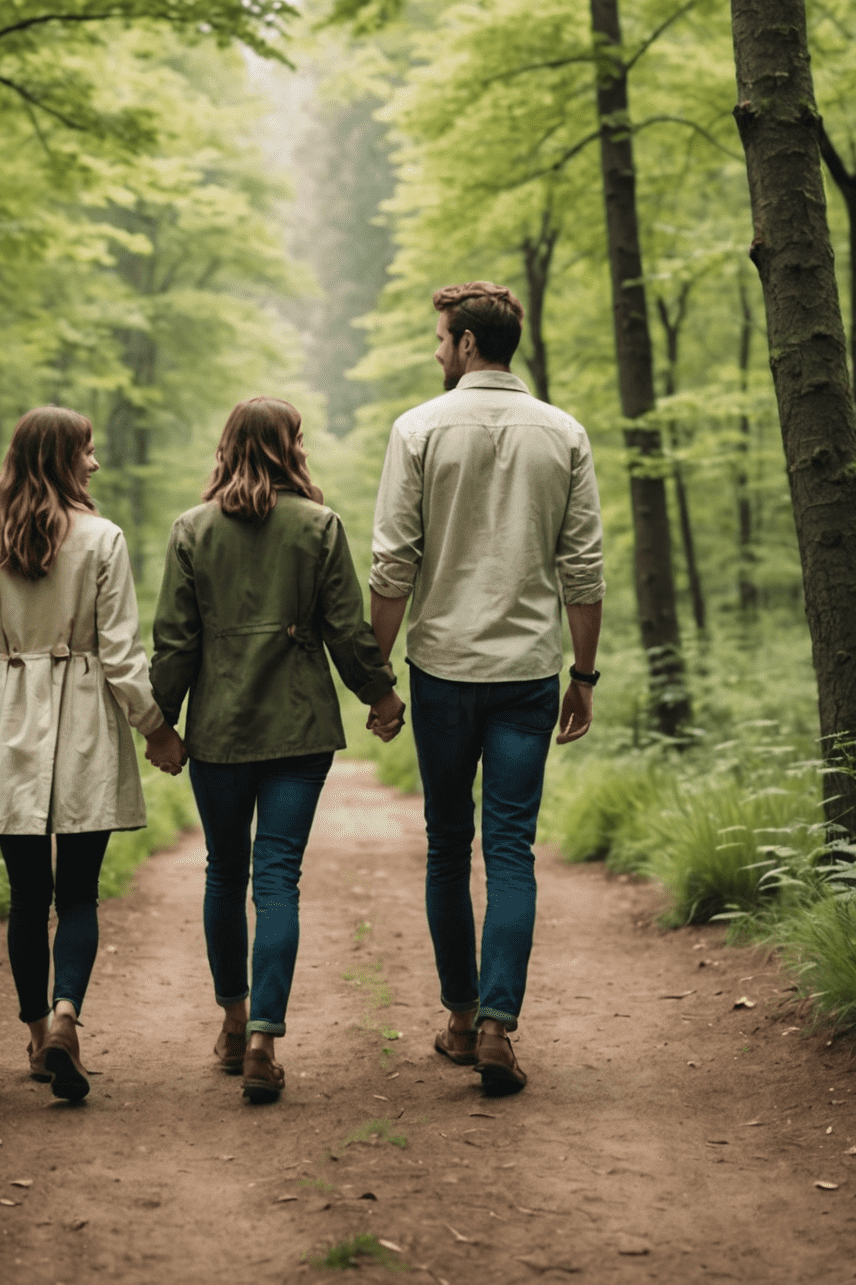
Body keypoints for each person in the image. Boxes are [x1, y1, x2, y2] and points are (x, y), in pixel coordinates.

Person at [369, 281, 605, 1096]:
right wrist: (583, 672)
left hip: (441, 670)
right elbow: (583, 566)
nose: (437, 352)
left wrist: (375, 678)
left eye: (440, 339)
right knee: (510, 849)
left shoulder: (418, 429)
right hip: (529, 673)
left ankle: (464, 1022)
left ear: (469, 343)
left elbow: (393, 563)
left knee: (447, 844)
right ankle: (501, 1025)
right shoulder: (564, 432)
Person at [150, 398, 404, 1104]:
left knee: (224, 873)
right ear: (292, 447)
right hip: (299, 727)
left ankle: (233, 1021)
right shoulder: (318, 526)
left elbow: (173, 641)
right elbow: (348, 627)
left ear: (226, 446)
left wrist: (160, 724)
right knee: (277, 877)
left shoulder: (191, 530)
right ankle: (264, 1038)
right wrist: (379, 695)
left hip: (221, 729)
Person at [0, 406, 186, 1103]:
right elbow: (123, 656)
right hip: (83, 727)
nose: (95, 464)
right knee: (77, 893)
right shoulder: (103, 540)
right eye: (87, 451)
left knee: (25, 896)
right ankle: (70, 1015)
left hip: (9, 725)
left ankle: (40, 1033)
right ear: (59, 459)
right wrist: (156, 728)